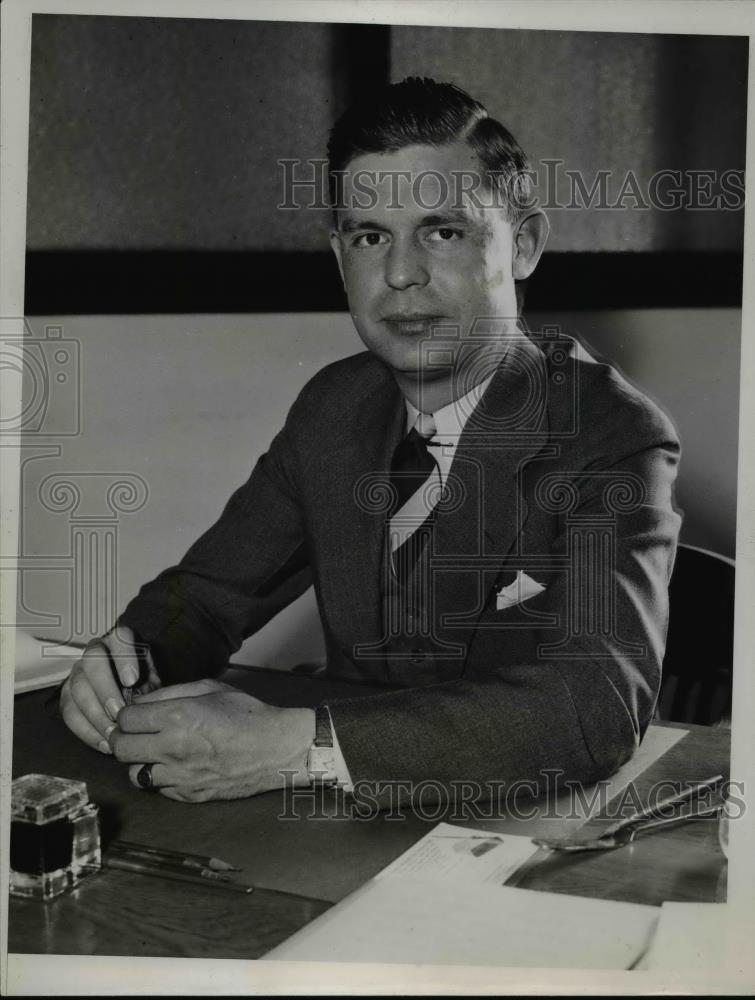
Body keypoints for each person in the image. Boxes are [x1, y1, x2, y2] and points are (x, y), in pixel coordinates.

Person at [60, 78, 681, 804]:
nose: (399, 274)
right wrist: (122, 665)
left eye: (442, 231)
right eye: (369, 236)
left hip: (517, 825)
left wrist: (297, 747)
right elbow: (202, 598)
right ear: (339, 255)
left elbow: (592, 711)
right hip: (343, 828)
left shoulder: (610, 434)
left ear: (524, 245)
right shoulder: (335, 407)